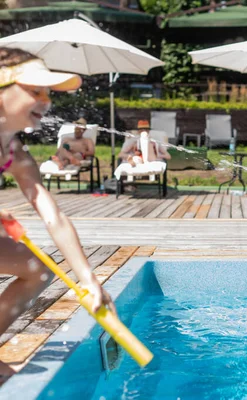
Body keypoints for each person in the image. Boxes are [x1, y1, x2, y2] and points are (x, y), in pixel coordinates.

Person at [0, 48, 115, 380]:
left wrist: (90, 280)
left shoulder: (14, 151)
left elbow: (54, 217)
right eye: (35, 91)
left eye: (48, 93)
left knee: (37, 270)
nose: (46, 101)